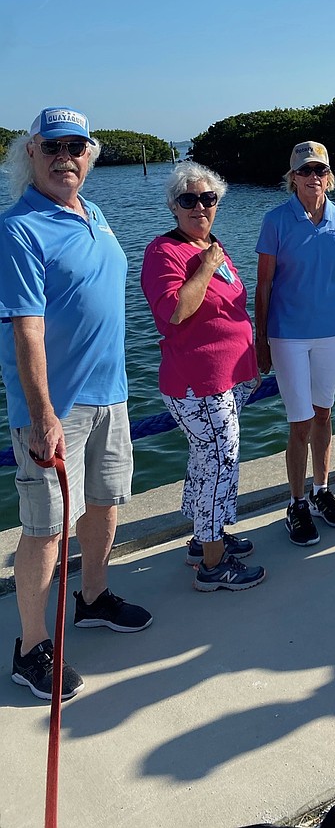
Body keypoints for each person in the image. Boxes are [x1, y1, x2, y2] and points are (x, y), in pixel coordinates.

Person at [0, 107, 152, 702]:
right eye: (53, 146)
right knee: (45, 528)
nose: (66, 156)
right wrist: (42, 416)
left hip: (111, 394)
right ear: (31, 153)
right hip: (56, 408)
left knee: (106, 505)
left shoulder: (96, 214)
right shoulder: (19, 228)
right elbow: (26, 331)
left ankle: (91, 599)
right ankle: (31, 646)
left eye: (77, 146)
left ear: (90, 155)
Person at [140, 162, 266, 591]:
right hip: (199, 382)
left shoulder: (212, 244)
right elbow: (174, 313)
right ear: (173, 206)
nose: (200, 207)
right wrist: (206, 267)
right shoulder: (165, 252)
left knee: (206, 459)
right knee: (220, 464)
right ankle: (214, 565)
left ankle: (203, 539)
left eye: (208, 199)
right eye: (189, 199)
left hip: (230, 376)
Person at [255, 141, 335, 547]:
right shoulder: (275, 221)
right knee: (300, 422)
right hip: (288, 334)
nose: (312, 177)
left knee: (324, 414)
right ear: (292, 177)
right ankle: (296, 502)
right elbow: (264, 286)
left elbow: (334, 272)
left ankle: (321, 490)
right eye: (304, 170)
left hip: (332, 331)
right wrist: (261, 340)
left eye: (319, 170)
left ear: (328, 175)